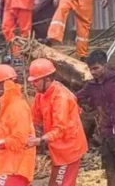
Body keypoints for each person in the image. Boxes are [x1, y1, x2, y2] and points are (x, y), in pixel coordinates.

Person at [27, 58, 88, 186]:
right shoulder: (41, 94)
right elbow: (34, 118)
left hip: (69, 150)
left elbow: (60, 129)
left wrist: (40, 140)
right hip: (58, 149)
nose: (33, 84)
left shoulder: (61, 98)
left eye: (36, 81)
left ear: (47, 79)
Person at [76, 50, 115, 186]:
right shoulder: (90, 86)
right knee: (109, 171)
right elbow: (75, 97)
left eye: (96, 68)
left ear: (105, 65)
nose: (93, 72)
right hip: (105, 133)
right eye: (90, 69)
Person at [0, 64, 36, 186]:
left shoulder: (17, 108)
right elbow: (4, 131)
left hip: (16, 166)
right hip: (7, 164)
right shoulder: (8, 106)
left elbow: (20, 140)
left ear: (6, 84)